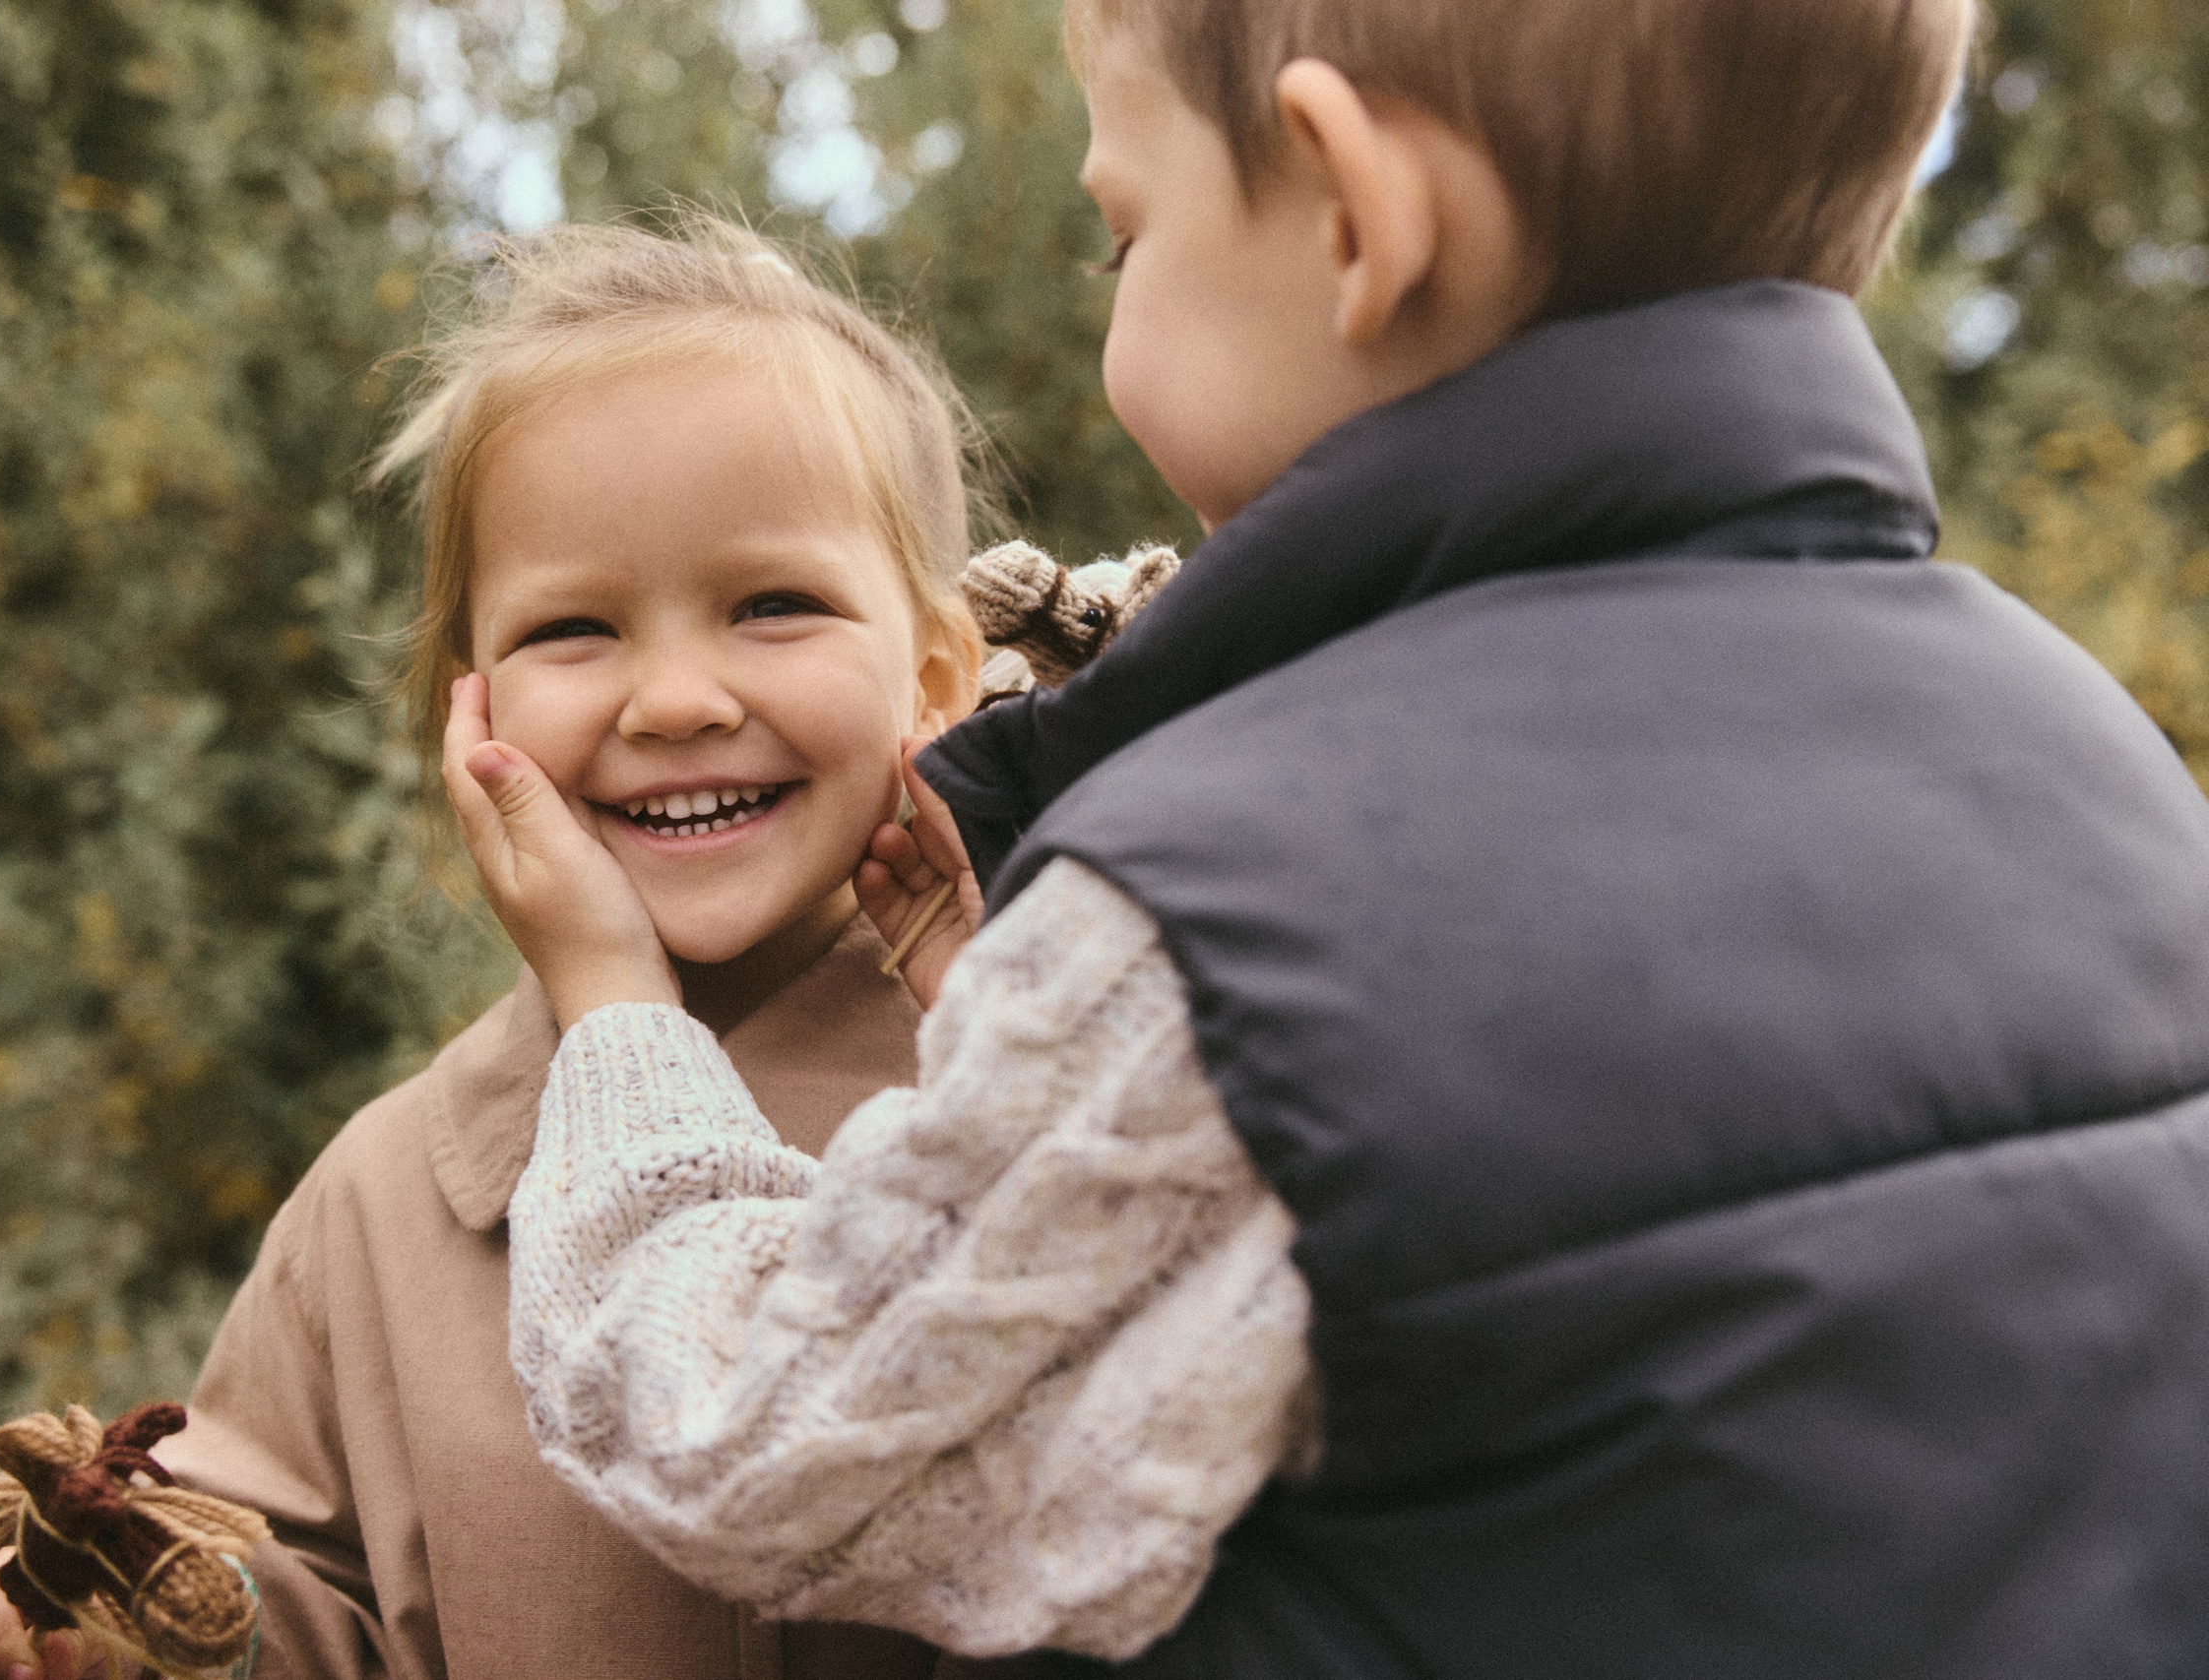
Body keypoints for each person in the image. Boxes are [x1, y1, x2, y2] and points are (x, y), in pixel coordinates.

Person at [475, 0, 2209, 1674]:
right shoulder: (2095, 759)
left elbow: (757, 1436)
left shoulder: (1241, 926)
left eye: (1123, 236)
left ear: (1358, 217)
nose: (1114, 302)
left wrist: (619, 1021)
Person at [0, 218, 991, 1680]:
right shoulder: (390, 1200)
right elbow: (285, 1600)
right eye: (574, 629)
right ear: (468, 713)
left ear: (932, 674)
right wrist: (117, 1636)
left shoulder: (1023, 1083)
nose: (673, 699)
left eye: (773, 605)